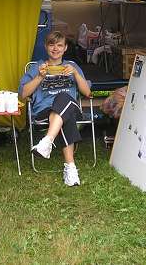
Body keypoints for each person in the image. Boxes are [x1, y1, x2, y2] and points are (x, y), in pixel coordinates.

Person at [19, 31, 91, 186]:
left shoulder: (72, 66)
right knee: (65, 117)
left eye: (59, 45)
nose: (55, 48)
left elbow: (87, 93)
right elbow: (23, 94)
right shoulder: (38, 67)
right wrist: (40, 76)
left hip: (71, 108)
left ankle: (47, 141)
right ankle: (71, 169)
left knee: (63, 97)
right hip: (44, 112)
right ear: (46, 47)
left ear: (65, 48)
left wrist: (76, 74)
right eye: (52, 45)